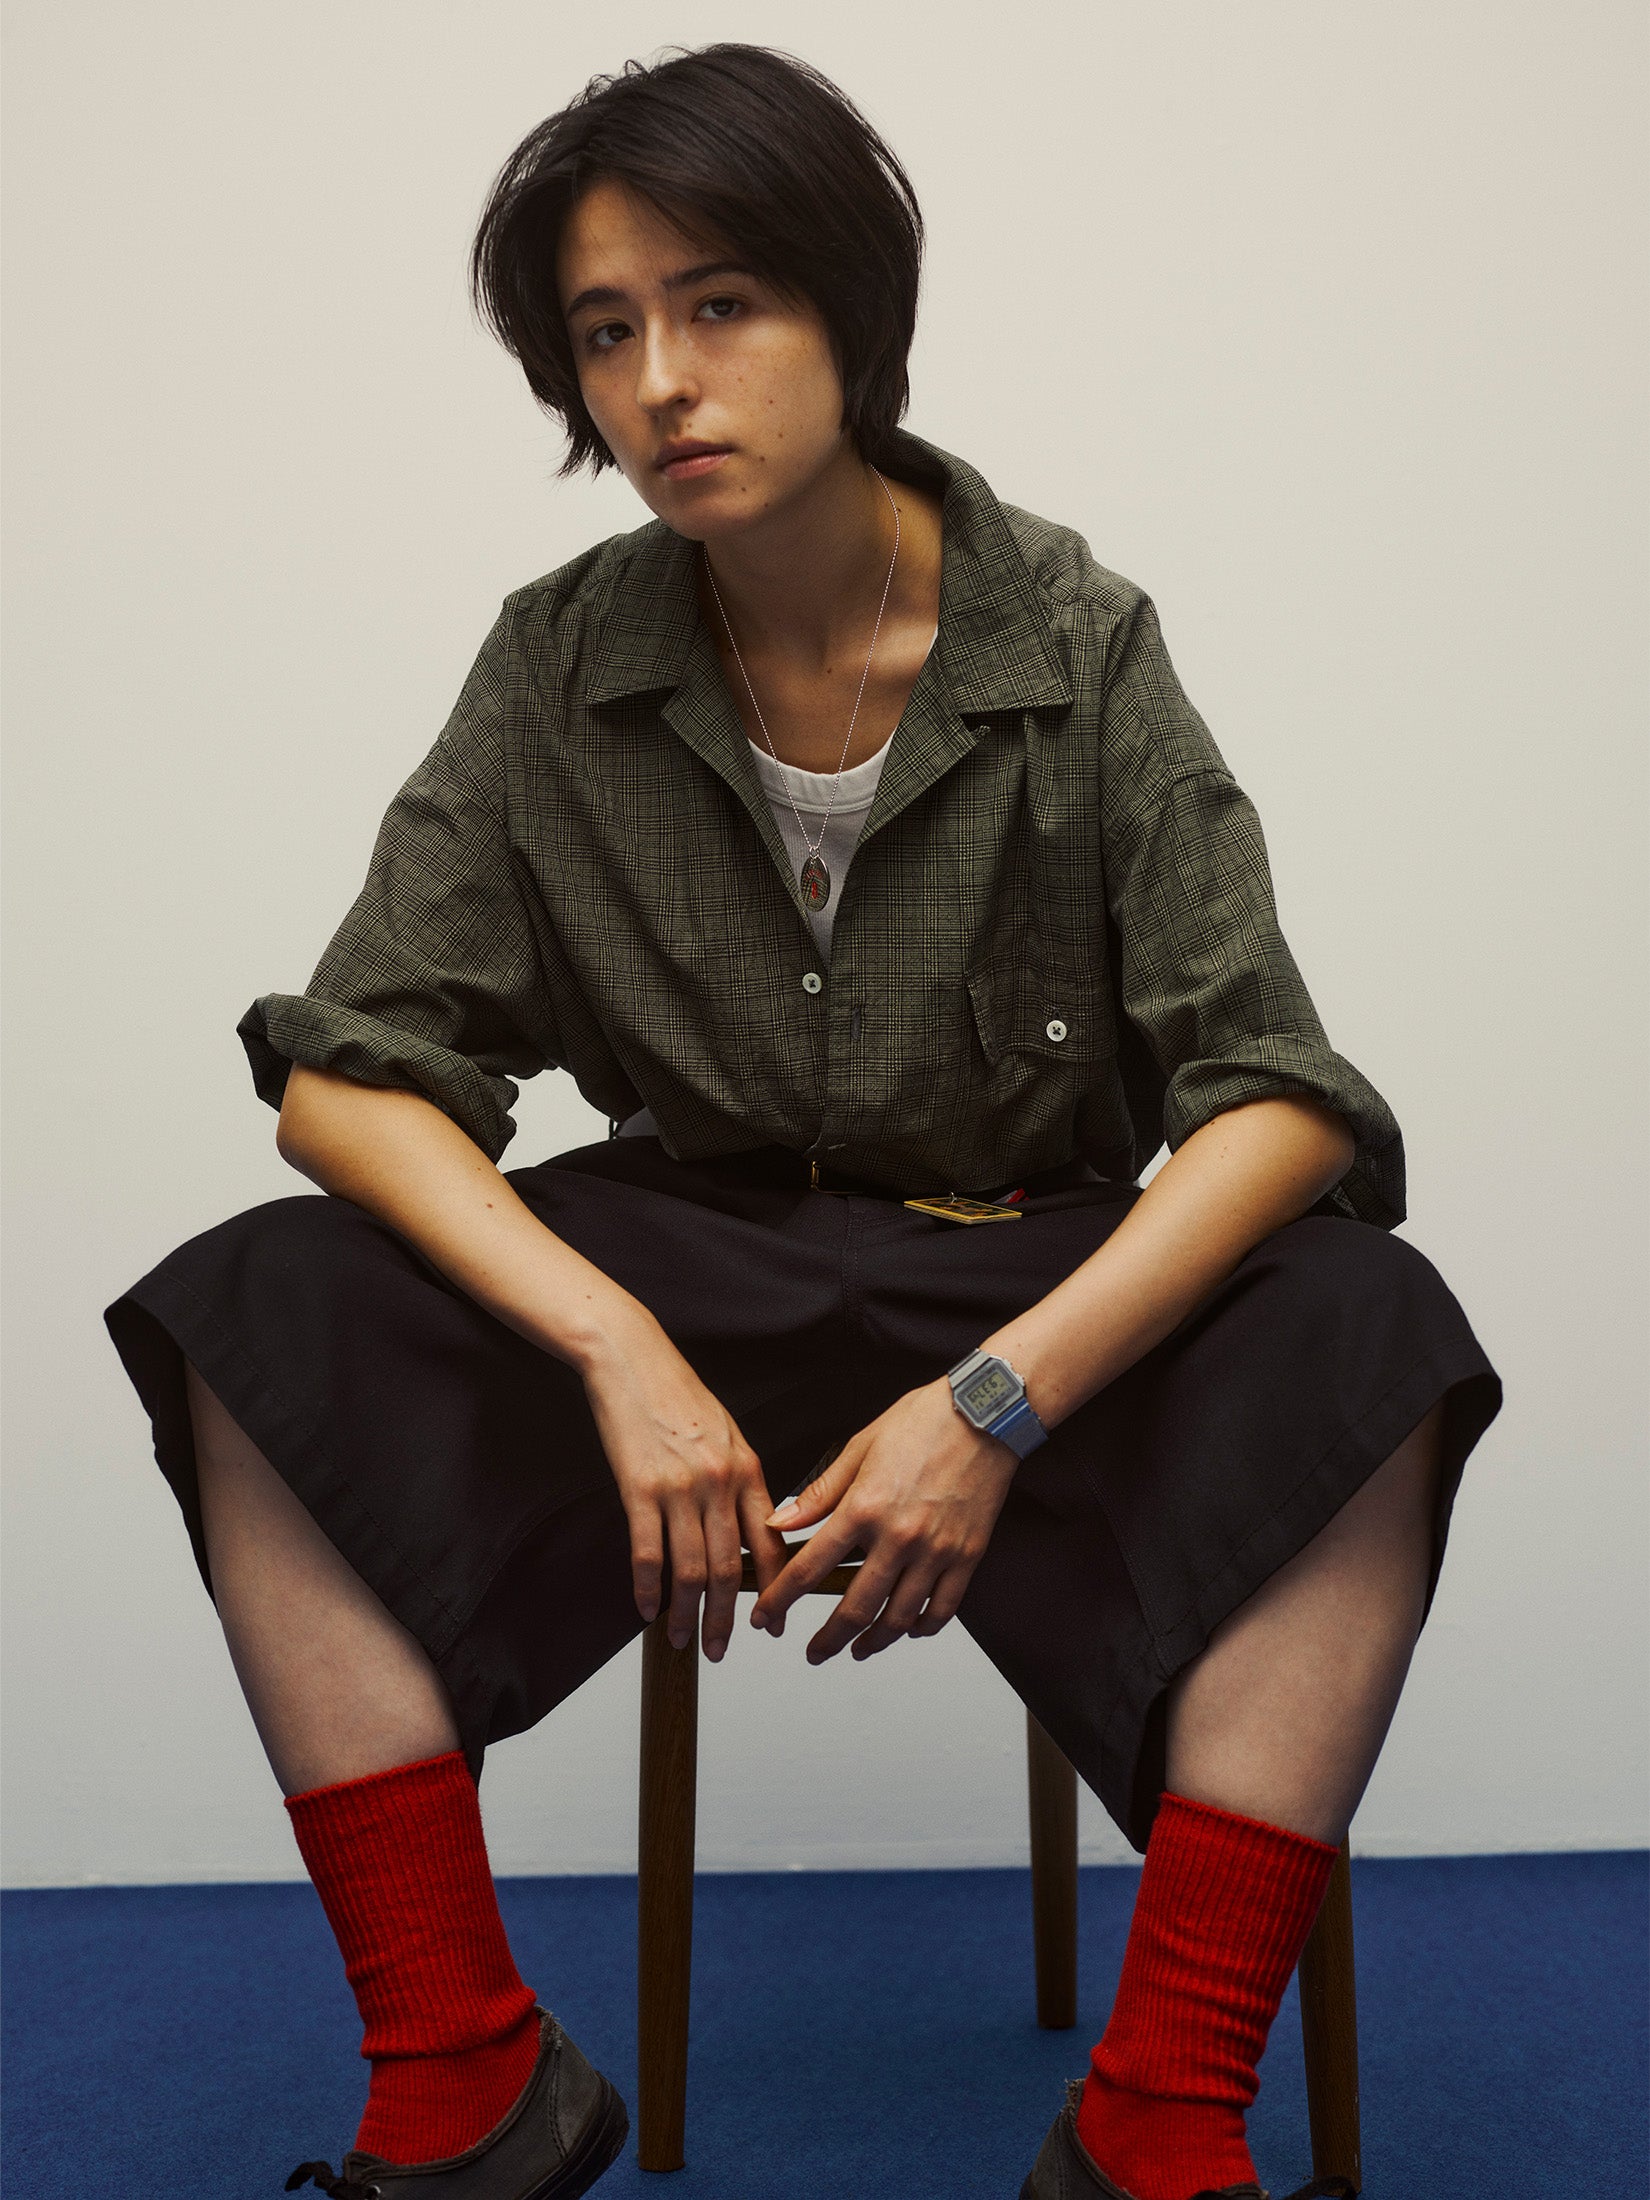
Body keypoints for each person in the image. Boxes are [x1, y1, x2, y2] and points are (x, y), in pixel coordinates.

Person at [105, 42, 1503, 2200]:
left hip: (1021, 1244)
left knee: (1372, 1327)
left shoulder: (1075, 637)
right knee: (253, 1309)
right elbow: (346, 1070)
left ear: (854, 311)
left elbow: (1275, 1100)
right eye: (604, 332)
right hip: (695, 1238)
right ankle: (461, 2074)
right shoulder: (558, 661)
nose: (660, 381)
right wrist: (612, 1343)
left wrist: (999, 1402)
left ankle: (1158, 2116)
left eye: (720, 303)